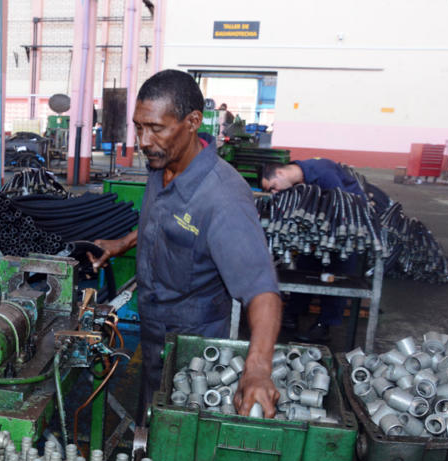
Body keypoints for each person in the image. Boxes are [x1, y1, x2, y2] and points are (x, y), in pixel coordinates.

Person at [90, 70, 282, 418]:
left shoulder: (223, 197)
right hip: (152, 323)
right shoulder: (161, 163)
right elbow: (169, 220)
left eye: (156, 128)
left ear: (193, 122)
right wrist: (124, 243)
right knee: (150, 412)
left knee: (176, 423)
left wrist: (257, 368)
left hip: (192, 343)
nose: (144, 141)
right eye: (138, 127)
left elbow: (262, 291)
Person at [260, 160, 367, 343]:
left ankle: (324, 326)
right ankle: (292, 314)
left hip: (344, 227)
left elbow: (339, 206)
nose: (274, 193)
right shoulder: (299, 180)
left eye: (273, 187)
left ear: (280, 173)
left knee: (336, 276)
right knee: (305, 267)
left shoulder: (323, 174)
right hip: (317, 227)